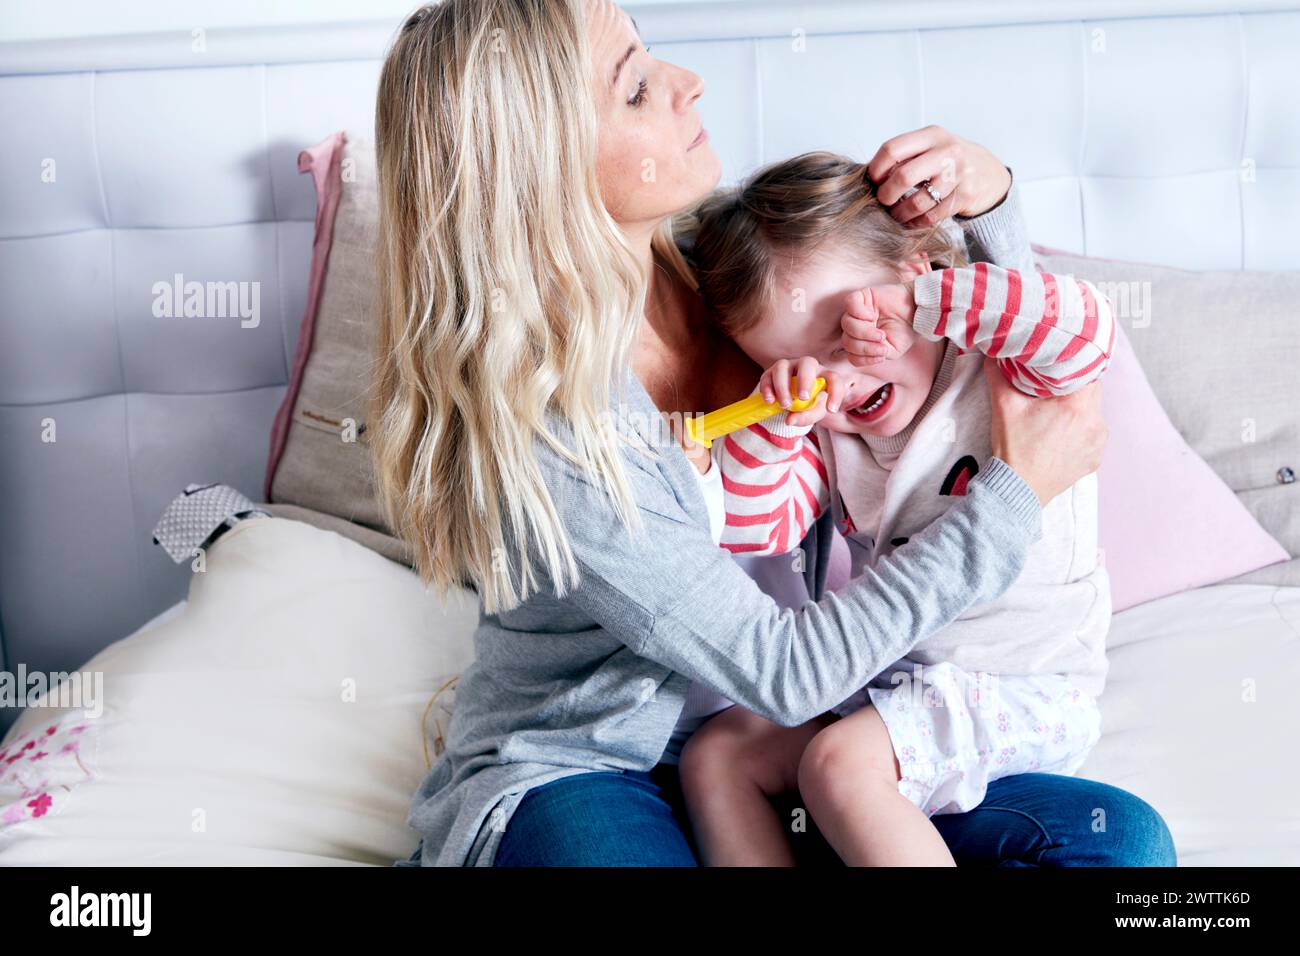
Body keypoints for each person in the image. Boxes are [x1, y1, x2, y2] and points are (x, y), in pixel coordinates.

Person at [370, 0, 1175, 866]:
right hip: (605, 762)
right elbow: (784, 665)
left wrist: (988, 208)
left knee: (1119, 845)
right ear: (540, 167)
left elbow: (984, 360)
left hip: (806, 738)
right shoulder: (554, 423)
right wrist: (1013, 500)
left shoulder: (732, 274)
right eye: (636, 89)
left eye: (653, 61)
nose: (688, 83)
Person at [677, 151, 1116, 865]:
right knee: (718, 756)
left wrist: (922, 306)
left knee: (838, 767)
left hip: (1023, 685)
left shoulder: (1004, 368)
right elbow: (762, 526)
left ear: (917, 273)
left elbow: (1083, 327)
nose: (840, 385)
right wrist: (779, 422)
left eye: (848, 336)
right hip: (901, 691)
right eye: (800, 369)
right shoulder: (830, 429)